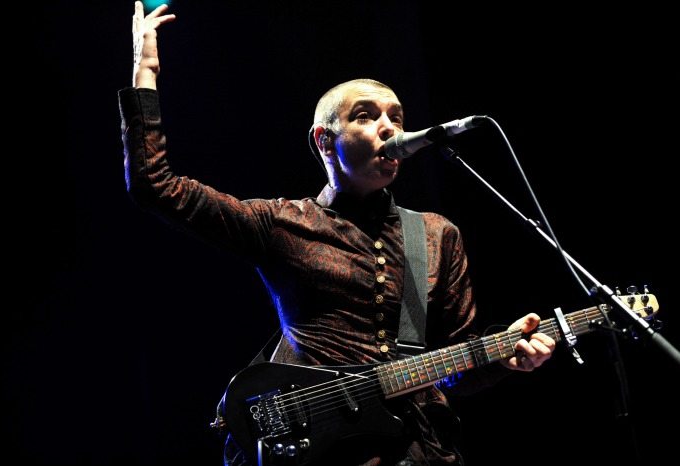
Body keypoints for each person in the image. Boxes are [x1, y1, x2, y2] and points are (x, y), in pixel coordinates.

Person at [120, 2, 555, 465]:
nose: (389, 127)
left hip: (418, 448)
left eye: (397, 117)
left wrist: (505, 358)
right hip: (326, 452)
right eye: (366, 116)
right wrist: (144, 72)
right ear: (325, 141)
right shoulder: (284, 223)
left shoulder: (435, 234)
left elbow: (454, 369)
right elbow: (156, 186)